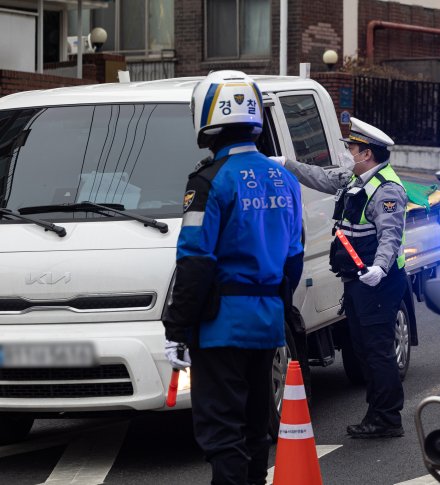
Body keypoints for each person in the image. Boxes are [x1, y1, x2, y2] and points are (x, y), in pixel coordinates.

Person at [163, 70, 304, 485]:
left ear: (207, 115)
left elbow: (195, 259)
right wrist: (274, 305)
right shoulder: (285, 179)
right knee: (256, 428)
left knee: (221, 433)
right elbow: (292, 259)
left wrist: (177, 326)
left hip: (220, 325)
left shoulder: (208, 182)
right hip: (267, 323)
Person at [278, 118, 407, 439]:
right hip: (357, 281)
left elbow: (391, 234)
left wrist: (379, 267)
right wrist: (286, 164)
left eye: (352, 148)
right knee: (364, 350)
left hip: (378, 282)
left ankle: (387, 418)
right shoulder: (356, 179)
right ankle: (377, 412)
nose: (347, 152)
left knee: (377, 351)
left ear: (366, 154)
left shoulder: (386, 189)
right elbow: (320, 177)